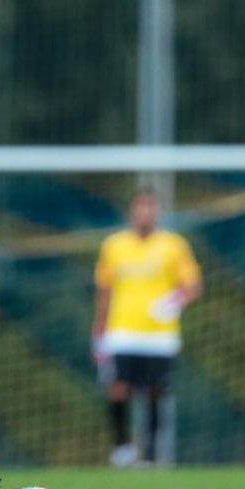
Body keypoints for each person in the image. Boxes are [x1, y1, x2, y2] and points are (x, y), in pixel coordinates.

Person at [91, 187, 202, 467]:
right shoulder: (114, 245)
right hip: (123, 331)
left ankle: (151, 455)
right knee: (118, 388)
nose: (144, 213)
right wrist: (99, 328)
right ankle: (121, 448)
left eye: (150, 208)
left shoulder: (173, 245)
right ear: (131, 211)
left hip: (159, 335)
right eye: (140, 207)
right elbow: (104, 290)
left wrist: (173, 303)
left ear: (157, 212)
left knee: (156, 390)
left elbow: (192, 287)